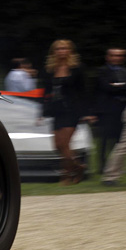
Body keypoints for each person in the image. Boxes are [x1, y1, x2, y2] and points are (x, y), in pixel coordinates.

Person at [40, 39, 89, 185]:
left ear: (70, 51)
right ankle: (79, 167)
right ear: (54, 52)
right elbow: (46, 92)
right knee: (57, 145)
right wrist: (43, 111)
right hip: (56, 109)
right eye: (59, 49)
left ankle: (66, 176)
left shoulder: (77, 68)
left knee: (65, 143)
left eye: (65, 48)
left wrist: (86, 112)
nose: (62, 51)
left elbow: (83, 91)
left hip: (72, 109)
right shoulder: (50, 69)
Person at [94, 48, 126, 169]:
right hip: (107, 109)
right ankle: (102, 166)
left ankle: (116, 166)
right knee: (104, 139)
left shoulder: (125, 71)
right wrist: (123, 85)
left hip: (122, 108)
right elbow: (106, 88)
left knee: (120, 140)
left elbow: (114, 87)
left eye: (120, 56)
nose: (117, 58)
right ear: (108, 57)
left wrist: (116, 85)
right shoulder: (102, 71)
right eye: (114, 55)